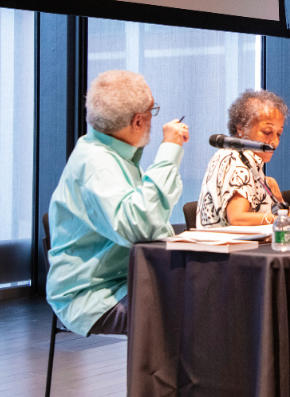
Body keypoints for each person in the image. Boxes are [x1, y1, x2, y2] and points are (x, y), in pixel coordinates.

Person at [46, 70, 189, 336]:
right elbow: (140, 227)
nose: (152, 119)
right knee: (192, 312)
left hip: (128, 276)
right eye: (152, 110)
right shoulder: (96, 165)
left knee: (204, 297)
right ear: (137, 121)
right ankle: (164, 379)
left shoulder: (114, 155)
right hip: (93, 294)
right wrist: (169, 149)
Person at [197, 89, 290, 227]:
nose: (274, 141)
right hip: (229, 248)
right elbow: (237, 218)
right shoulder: (235, 160)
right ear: (241, 128)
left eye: (279, 134)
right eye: (267, 132)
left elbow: (271, 214)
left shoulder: (239, 159)